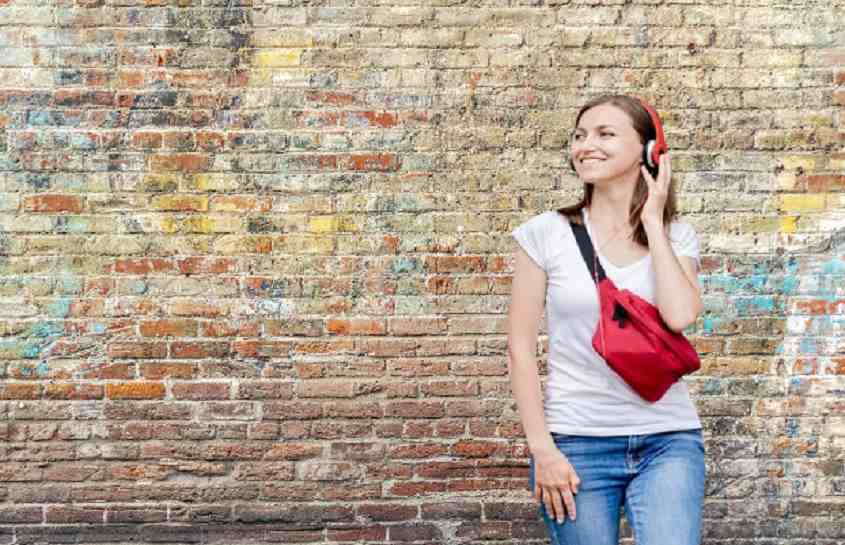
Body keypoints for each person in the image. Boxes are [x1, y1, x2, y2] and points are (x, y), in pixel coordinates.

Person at [506, 94, 705, 545]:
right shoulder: (545, 233)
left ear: (649, 151)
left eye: (605, 134)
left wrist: (653, 222)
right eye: (579, 136)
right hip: (576, 441)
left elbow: (679, 315)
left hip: (668, 439)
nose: (585, 145)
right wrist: (543, 450)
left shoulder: (677, 235)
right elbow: (520, 349)